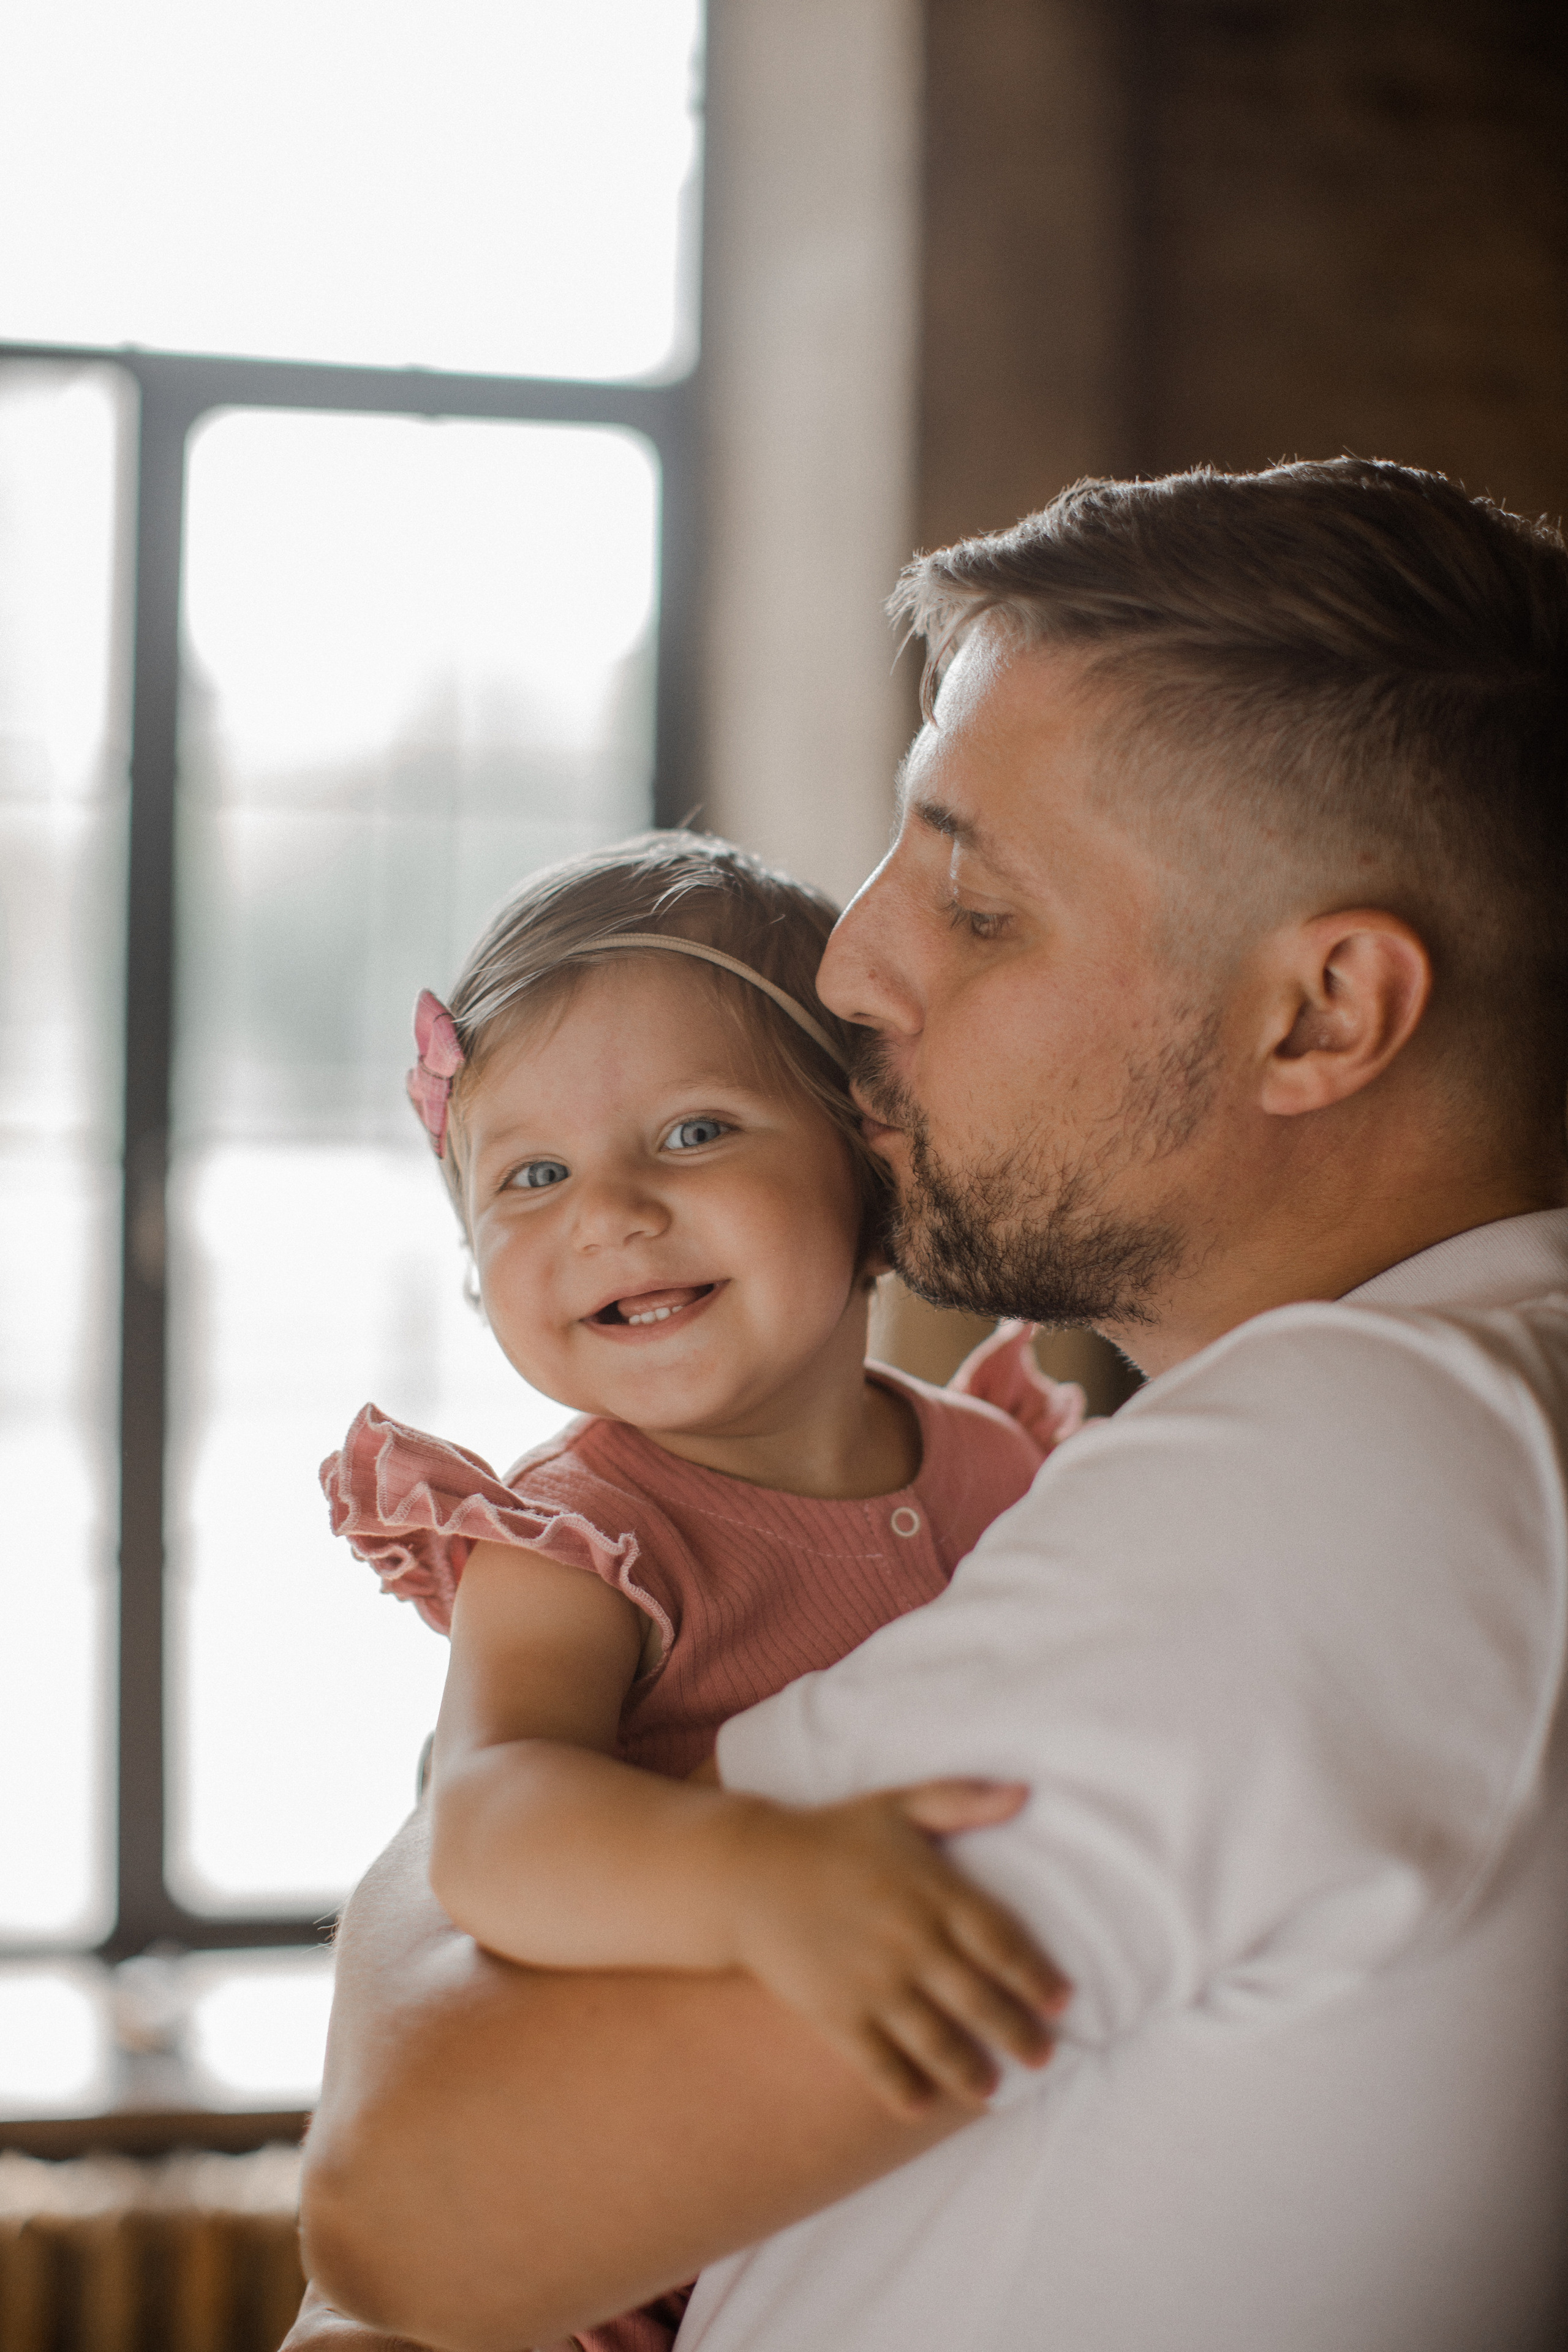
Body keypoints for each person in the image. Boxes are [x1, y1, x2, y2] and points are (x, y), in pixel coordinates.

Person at [293, 458, 1568, 2352]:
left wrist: (485, 1827)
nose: (850, 961)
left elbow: (413, 2211)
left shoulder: (1345, 1476)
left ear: (1320, 1015)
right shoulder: (1427, 1409)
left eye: (973, 904)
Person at [315, 834, 1080, 2352]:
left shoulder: (1006, 1464)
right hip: (582, 2261)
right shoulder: (583, 1537)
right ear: (474, 1263)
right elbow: (488, 1818)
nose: (606, 1210)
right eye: (529, 1174)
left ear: (873, 1160)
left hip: (863, 2206)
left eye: (692, 1133)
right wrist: (753, 1879)